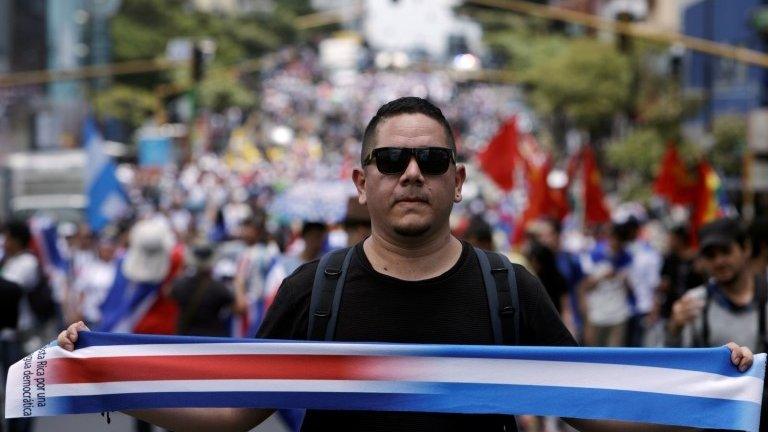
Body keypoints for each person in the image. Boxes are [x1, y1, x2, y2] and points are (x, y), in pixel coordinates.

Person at [59, 97, 753, 432]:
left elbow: (596, 414)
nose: (412, 173)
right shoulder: (314, 289)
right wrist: (102, 375)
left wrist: (720, 385)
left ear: (458, 180)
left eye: (432, 161)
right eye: (392, 161)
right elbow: (237, 411)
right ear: (363, 183)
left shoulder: (508, 288)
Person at [666, 217, 767, 430]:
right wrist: (674, 327)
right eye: (710, 255)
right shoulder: (693, 304)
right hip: (712, 420)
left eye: (726, 251)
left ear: (745, 248)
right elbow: (675, 372)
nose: (719, 261)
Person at [172, 244, 234, 337]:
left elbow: (169, 294)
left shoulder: (181, 284)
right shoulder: (218, 288)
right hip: (210, 338)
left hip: (185, 336)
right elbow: (239, 308)